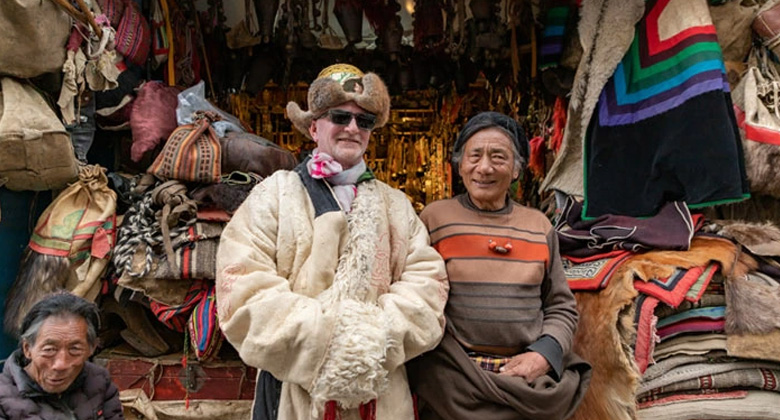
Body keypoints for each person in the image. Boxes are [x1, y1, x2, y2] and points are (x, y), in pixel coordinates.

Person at [215, 64, 449, 420]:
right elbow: (243, 288)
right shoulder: (273, 195)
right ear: (314, 126)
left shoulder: (396, 206)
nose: (353, 128)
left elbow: (427, 288)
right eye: (340, 117)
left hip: (380, 395)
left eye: (364, 121)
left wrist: (369, 344)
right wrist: (327, 344)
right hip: (292, 394)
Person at [408, 112, 591, 420]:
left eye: (498, 157)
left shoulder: (539, 225)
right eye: (474, 156)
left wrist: (542, 356)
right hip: (453, 378)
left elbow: (560, 306)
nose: (484, 168)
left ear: (517, 169)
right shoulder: (434, 219)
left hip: (525, 381)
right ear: (460, 164)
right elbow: (415, 298)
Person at [0, 292, 123, 419]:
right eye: (49, 350)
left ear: (91, 349)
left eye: (75, 349)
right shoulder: (3, 398)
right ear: (27, 349)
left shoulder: (99, 381)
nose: (61, 364)